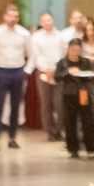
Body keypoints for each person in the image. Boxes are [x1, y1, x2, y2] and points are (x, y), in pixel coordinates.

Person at [0, 4, 31, 151]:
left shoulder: (24, 34)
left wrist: (27, 70)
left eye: (15, 16)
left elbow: (32, 54)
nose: (13, 19)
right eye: (10, 16)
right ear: (5, 17)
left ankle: (12, 138)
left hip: (17, 70)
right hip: (0, 70)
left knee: (15, 106)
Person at [55, 39, 94, 159]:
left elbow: (92, 75)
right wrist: (68, 72)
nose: (75, 52)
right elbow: (57, 76)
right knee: (70, 121)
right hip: (69, 94)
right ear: (69, 49)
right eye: (73, 49)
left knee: (88, 120)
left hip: (83, 93)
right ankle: (73, 149)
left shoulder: (85, 62)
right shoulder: (62, 62)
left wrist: (83, 73)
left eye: (78, 49)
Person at [31, 12, 66, 141]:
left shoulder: (60, 36)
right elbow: (35, 55)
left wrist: (55, 68)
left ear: (52, 20)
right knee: (46, 103)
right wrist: (46, 69)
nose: (47, 23)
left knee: (59, 103)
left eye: (49, 20)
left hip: (58, 73)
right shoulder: (36, 37)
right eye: (44, 21)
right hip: (43, 72)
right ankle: (50, 132)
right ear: (41, 23)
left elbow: (63, 54)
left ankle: (58, 130)